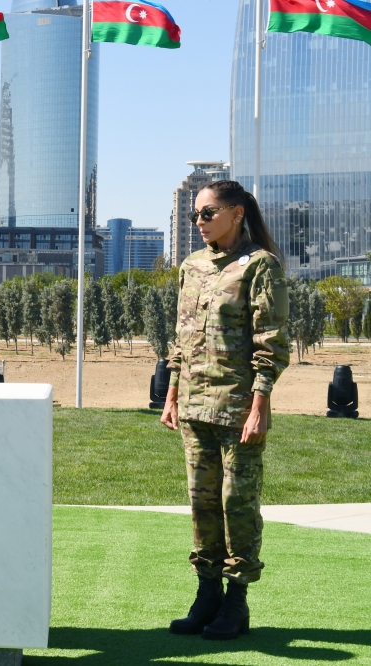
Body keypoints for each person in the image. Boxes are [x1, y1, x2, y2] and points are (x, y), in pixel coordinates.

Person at [161, 179, 289, 640]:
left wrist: (260, 406)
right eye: (195, 214)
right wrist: (172, 395)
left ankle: (236, 603)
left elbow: (270, 345)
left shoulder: (260, 266)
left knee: (238, 505)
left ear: (236, 213)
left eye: (208, 213)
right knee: (202, 506)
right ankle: (206, 595)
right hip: (194, 407)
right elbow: (181, 339)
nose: (199, 222)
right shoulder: (191, 266)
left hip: (237, 408)